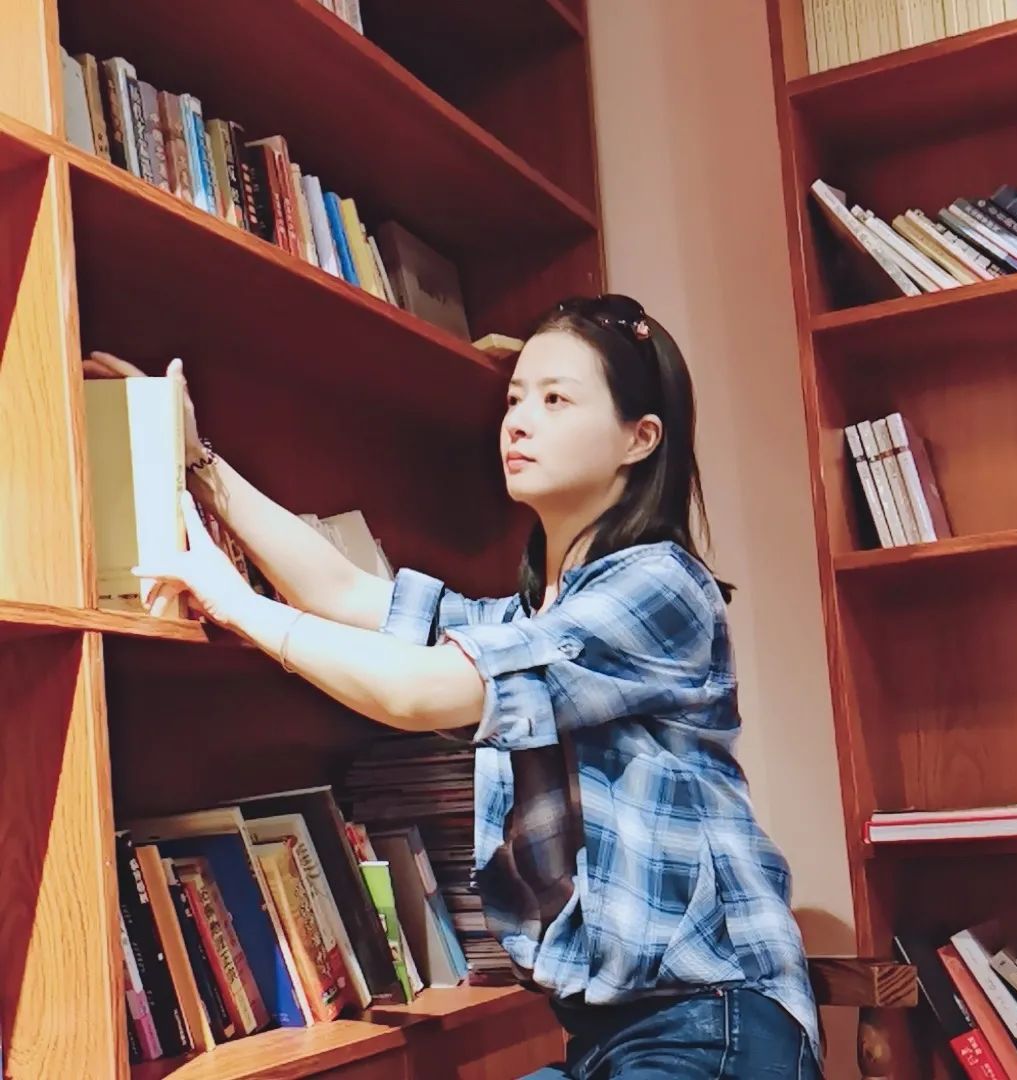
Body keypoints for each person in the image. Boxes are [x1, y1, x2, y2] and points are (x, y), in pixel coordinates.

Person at [88, 293, 822, 1078]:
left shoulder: (660, 588)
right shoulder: (530, 617)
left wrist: (238, 606)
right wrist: (198, 463)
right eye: (515, 399)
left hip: (714, 1022)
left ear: (639, 439)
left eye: (555, 400)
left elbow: (419, 691)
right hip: (609, 1038)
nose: (519, 422)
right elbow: (345, 592)